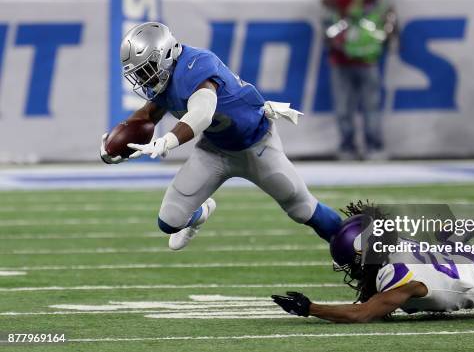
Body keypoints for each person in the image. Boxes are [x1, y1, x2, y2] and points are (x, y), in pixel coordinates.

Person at [99, 22, 342, 250]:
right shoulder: (164, 78)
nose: (144, 79)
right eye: (140, 74)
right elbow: (147, 115)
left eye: (147, 69)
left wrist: (167, 141)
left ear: (166, 55)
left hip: (257, 144)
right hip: (215, 150)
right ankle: (200, 213)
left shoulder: (196, 65)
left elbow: (202, 114)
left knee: (302, 209)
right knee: (170, 220)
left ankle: (364, 249)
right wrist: (114, 145)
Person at [272, 139, 474, 322]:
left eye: (353, 263)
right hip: (448, 262)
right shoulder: (391, 243)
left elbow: (363, 314)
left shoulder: (399, 279)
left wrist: (310, 308)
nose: (353, 271)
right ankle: (450, 242)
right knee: (434, 255)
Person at [322, 0, 397, 160]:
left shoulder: (375, 6)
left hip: (368, 61)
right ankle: (347, 146)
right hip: (340, 61)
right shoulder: (338, 6)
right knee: (344, 108)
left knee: (371, 107)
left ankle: (374, 145)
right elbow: (326, 7)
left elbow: (388, 22)